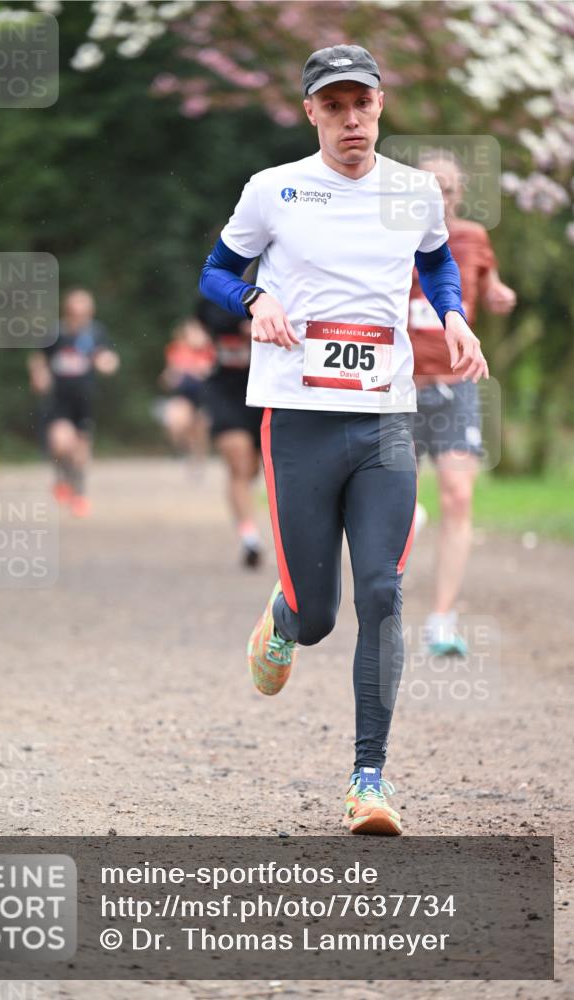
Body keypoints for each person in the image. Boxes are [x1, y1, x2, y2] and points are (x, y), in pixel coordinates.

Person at [199, 45, 488, 834]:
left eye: (361, 103)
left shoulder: (414, 192)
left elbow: (436, 267)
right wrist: (254, 297)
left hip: (382, 421)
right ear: (311, 113)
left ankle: (368, 779)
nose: (350, 118)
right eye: (334, 105)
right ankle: (286, 618)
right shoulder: (275, 191)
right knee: (320, 612)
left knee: (385, 592)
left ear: (380, 106)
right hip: (294, 419)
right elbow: (213, 273)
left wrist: (454, 316)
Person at [408, 149, 516, 656]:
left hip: (457, 385)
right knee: (394, 507)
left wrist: (497, 293)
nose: (439, 197)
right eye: (428, 187)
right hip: (398, 387)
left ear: (459, 195)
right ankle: (381, 609)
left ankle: (442, 619)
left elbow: (488, 280)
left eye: (447, 189)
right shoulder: (389, 238)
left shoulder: (472, 238)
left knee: (458, 495)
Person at [28, 288, 119, 517]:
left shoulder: (96, 332)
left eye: (84, 311)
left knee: (81, 450)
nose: (80, 314)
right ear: (67, 310)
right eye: (76, 310)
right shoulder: (55, 333)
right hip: (59, 399)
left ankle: (79, 494)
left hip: (85, 400)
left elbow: (107, 356)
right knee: (60, 443)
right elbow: (38, 358)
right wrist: (39, 375)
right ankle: (61, 478)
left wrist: (107, 363)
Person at [196, 297, 265, 568]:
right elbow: (209, 320)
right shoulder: (215, 292)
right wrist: (248, 316)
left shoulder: (277, 279)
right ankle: (250, 539)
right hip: (225, 393)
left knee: (252, 471)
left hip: (265, 392)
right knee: (239, 463)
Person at [159, 317, 214, 471]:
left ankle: (199, 460)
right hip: (184, 394)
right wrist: (170, 377)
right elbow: (168, 377)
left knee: (201, 428)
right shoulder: (176, 349)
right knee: (177, 423)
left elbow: (210, 374)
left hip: (205, 395)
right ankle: (185, 453)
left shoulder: (210, 350)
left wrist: (201, 371)